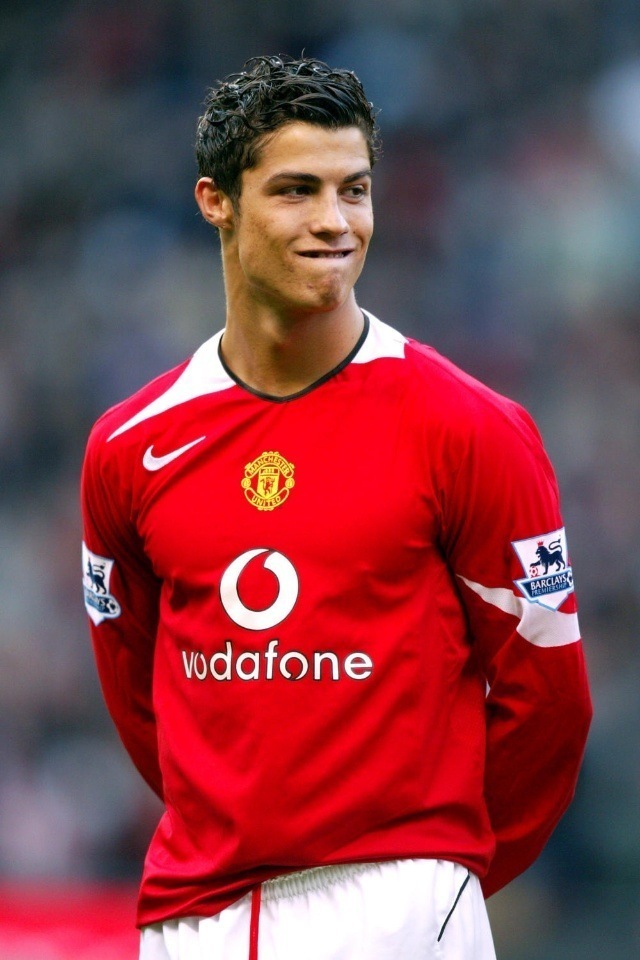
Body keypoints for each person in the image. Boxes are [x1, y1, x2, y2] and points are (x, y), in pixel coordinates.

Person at [80, 55, 592, 960]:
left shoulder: (469, 427)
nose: (335, 221)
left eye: (354, 190)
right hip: (193, 913)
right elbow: (136, 688)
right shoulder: (129, 446)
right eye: (297, 190)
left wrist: (439, 869)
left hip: (397, 903)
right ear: (216, 202)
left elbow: (549, 698)